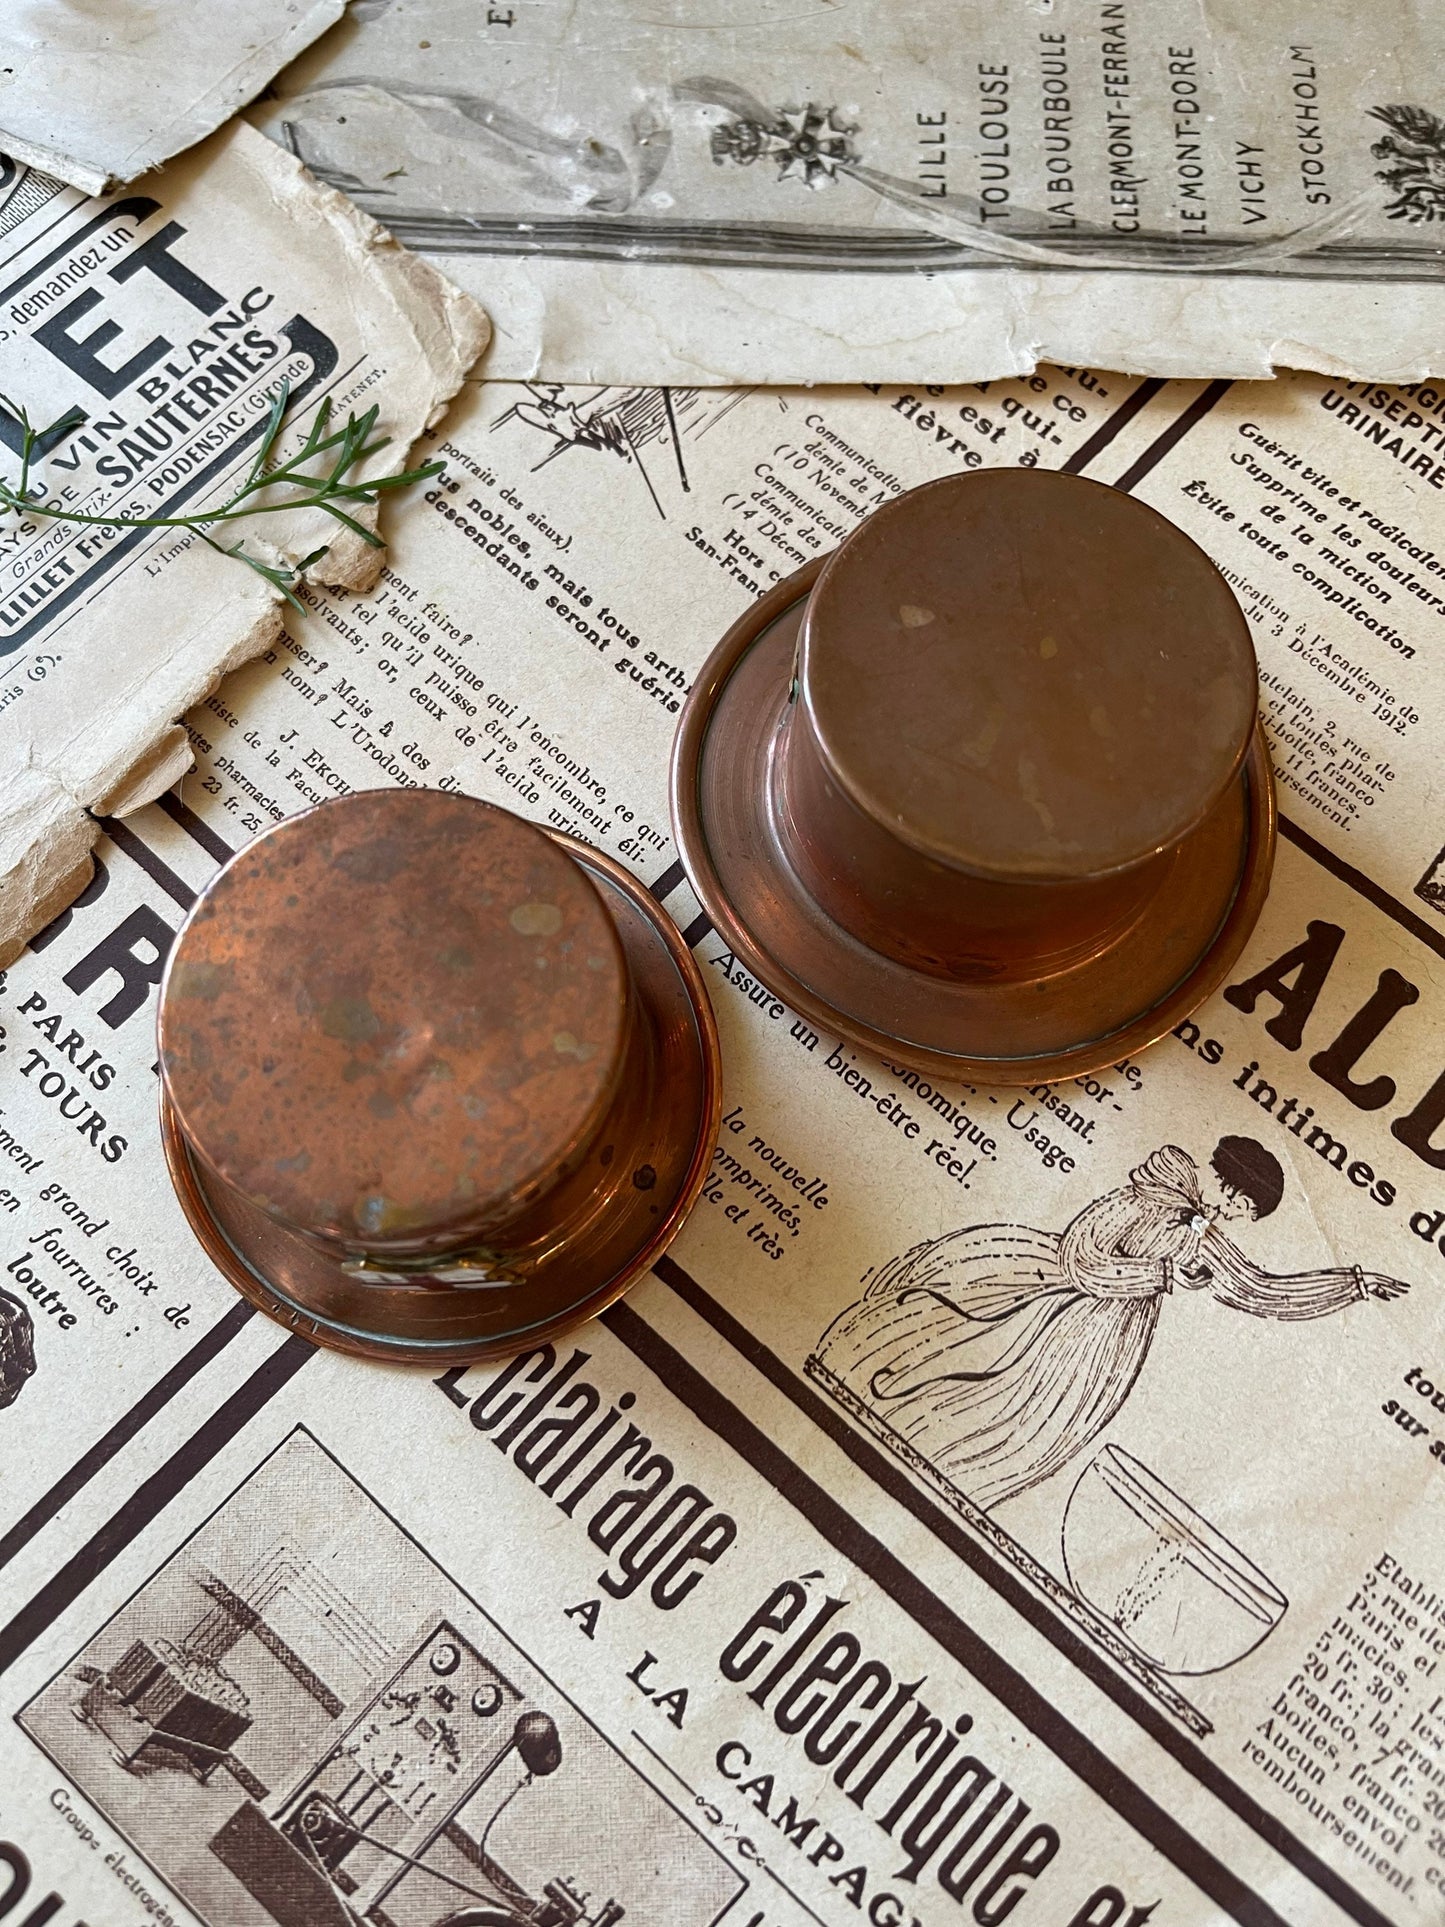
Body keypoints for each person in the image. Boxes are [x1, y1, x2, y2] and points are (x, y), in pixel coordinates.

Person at [813, 1137, 1407, 1511]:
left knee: (1031, 1427)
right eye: (1242, 1208)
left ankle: (915, 1488)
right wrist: (1160, 1276)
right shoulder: (1148, 1198)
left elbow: (1263, 1292)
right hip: (1057, 1306)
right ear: (1228, 1185)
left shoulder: (1206, 1239)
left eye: (1243, 1217)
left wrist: (1352, 1284)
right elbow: (1081, 1254)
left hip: (1104, 1349)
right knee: (971, 1354)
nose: (1235, 1219)